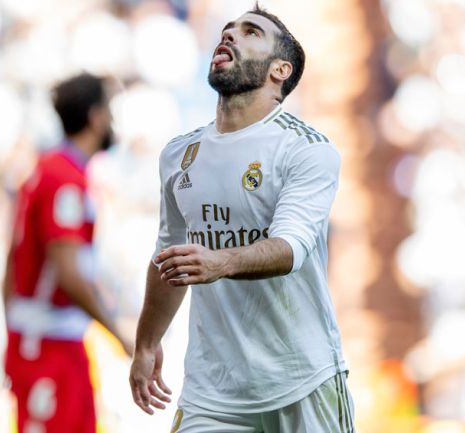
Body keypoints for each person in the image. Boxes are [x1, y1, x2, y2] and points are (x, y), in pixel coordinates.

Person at [128, 4, 355, 432]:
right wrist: (146, 343)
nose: (229, 35)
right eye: (228, 30)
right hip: (213, 392)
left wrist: (221, 262)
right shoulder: (179, 154)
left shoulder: (306, 150)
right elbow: (167, 258)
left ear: (280, 70)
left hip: (301, 379)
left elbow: (290, 249)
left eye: (251, 32)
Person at [2, 72, 133, 433]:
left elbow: (11, 262)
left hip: (47, 342)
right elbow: (67, 272)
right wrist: (118, 333)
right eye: (109, 111)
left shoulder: (50, 170)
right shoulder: (64, 179)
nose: (113, 121)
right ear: (95, 117)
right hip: (47, 345)